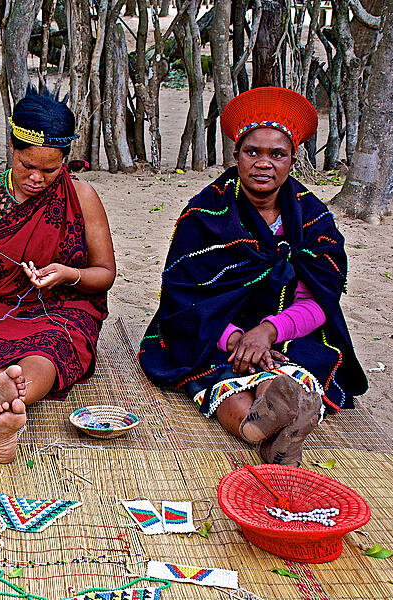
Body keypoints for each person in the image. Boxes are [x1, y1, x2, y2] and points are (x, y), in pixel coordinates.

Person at [139, 87, 367, 466]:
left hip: (283, 332)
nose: (263, 163)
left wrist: (267, 334)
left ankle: (274, 410)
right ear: (236, 157)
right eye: (252, 152)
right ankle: (258, 427)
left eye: (277, 154)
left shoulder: (314, 220)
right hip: (213, 329)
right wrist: (236, 339)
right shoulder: (204, 216)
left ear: (293, 161)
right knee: (212, 370)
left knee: (298, 366)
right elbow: (184, 299)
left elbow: (319, 300)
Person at [0, 86, 116, 464]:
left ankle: (8, 399)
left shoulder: (82, 196)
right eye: (28, 166)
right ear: (12, 148)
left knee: (50, 348)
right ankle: (0, 397)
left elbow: (105, 274)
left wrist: (68, 275)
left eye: (50, 170)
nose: (37, 178)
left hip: (66, 306)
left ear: (65, 162)